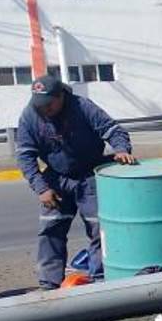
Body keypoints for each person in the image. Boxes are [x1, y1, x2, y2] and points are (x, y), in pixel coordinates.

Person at [16, 75, 136, 289]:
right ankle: (49, 282)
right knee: (51, 229)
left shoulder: (83, 107)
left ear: (60, 96)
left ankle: (100, 279)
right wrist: (41, 188)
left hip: (90, 175)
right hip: (55, 179)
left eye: (49, 104)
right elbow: (25, 156)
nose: (45, 109)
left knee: (99, 228)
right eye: (40, 105)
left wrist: (121, 149)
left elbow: (113, 130)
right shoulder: (29, 116)